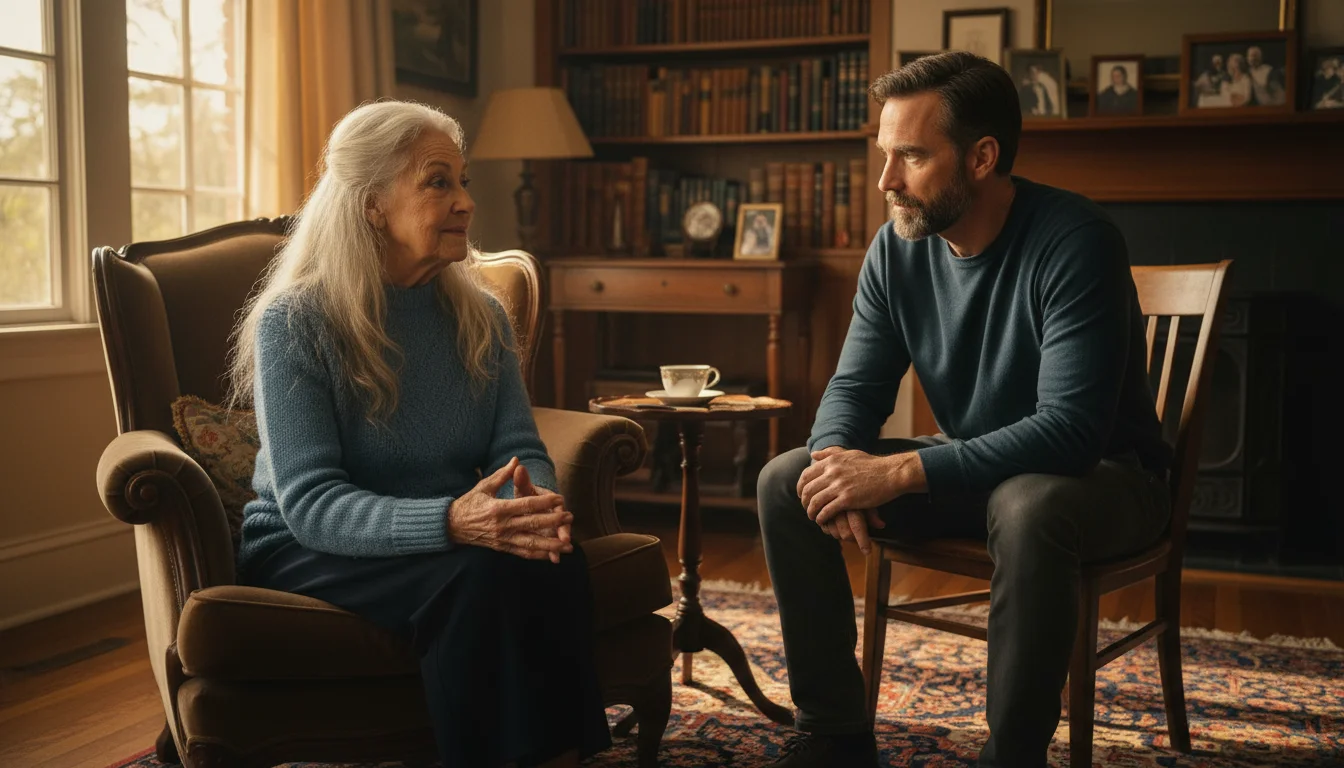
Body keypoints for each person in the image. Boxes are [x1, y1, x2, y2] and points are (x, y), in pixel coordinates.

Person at [756, 51, 1171, 767]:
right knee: (787, 481)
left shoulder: (1077, 241)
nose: (887, 180)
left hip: (1106, 480)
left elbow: (1070, 433)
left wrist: (894, 475)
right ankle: (834, 735)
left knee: (1029, 505)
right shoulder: (896, 249)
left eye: (911, 156)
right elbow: (854, 389)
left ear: (982, 157)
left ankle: (1012, 758)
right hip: (985, 473)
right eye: (885, 155)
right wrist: (835, 468)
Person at [226, 100, 610, 768]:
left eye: (463, 181)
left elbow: (516, 446)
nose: (464, 201)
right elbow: (312, 503)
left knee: (553, 556)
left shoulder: (482, 316)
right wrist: (455, 522)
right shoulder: (296, 322)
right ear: (372, 204)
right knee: (476, 579)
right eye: (438, 182)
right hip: (306, 543)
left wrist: (532, 508)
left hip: (448, 530)